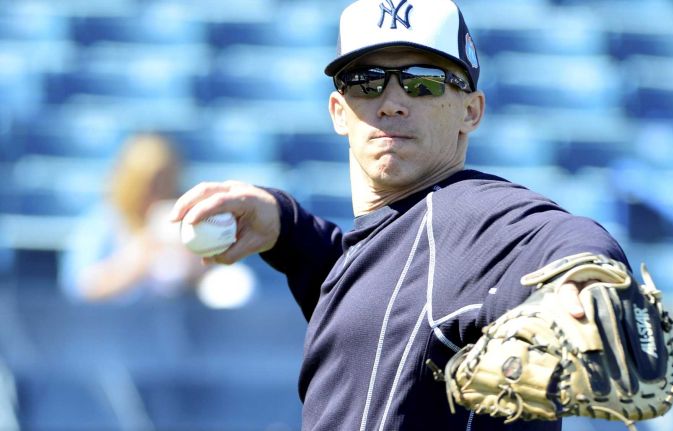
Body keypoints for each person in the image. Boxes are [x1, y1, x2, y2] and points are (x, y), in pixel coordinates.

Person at [169, 0, 629, 429]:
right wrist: (287, 229)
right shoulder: (401, 243)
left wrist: (586, 278)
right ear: (339, 111)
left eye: (422, 81)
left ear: (471, 111)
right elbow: (379, 293)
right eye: (366, 81)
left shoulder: (470, 214)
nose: (391, 102)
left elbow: (560, 236)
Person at [60, 133, 205, 303]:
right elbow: (80, 288)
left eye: (165, 181)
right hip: (115, 317)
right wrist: (139, 257)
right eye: (150, 183)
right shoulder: (103, 221)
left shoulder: (188, 218)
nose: (157, 190)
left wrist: (194, 266)